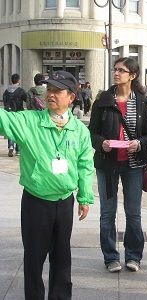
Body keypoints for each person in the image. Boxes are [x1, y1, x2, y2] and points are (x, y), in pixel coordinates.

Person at [0, 70, 95, 299]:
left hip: (64, 202)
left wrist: (84, 197)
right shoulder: (30, 121)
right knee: (33, 258)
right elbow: (3, 118)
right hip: (36, 202)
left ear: (71, 97)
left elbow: (85, 165)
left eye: (57, 91)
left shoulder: (79, 130)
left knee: (62, 258)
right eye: (49, 90)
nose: (51, 95)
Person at [88, 57, 147, 273]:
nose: (116, 73)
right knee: (107, 213)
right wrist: (102, 144)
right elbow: (92, 131)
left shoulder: (143, 102)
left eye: (121, 70)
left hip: (133, 165)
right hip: (107, 164)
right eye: (115, 70)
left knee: (133, 213)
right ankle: (111, 258)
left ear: (132, 75)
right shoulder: (103, 100)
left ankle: (134, 257)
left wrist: (139, 143)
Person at [2, 73, 27, 157]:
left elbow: (5, 101)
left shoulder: (6, 91)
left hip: (9, 113)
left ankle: (11, 146)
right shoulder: (21, 91)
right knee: (19, 130)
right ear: (18, 81)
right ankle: (18, 149)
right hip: (19, 113)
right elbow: (27, 99)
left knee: (11, 130)